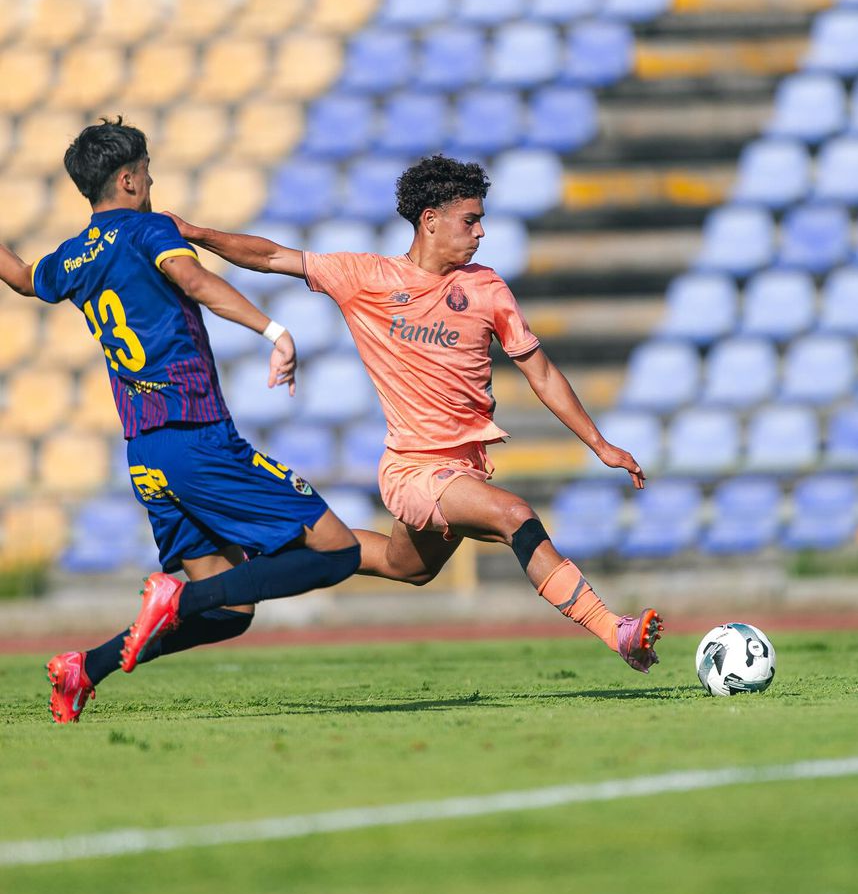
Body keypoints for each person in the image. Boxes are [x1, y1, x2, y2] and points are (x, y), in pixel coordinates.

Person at [165, 154, 663, 674]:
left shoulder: (487, 288)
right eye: (470, 220)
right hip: (414, 469)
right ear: (430, 220)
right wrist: (194, 232)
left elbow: (540, 372)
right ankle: (616, 631)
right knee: (516, 515)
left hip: (465, 467)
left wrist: (600, 444)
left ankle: (278, 547)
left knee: (406, 567)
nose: (481, 232)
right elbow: (270, 256)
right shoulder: (366, 278)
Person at [0, 118, 363, 723]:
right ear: (128, 179)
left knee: (228, 614)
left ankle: (85, 668)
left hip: (145, 454)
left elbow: (17, 277)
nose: (152, 180)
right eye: (146, 172)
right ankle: (176, 595)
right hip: (198, 436)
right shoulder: (151, 229)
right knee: (338, 552)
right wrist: (273, 331)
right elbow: (192, 280)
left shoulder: (72, 257)